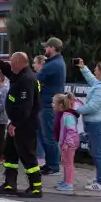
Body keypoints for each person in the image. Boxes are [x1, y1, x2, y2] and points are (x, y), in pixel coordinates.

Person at [0, 51, 42, 198]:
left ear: (18, 63)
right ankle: (10, 184)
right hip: (17, 123)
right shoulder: (19, 75)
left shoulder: (26, 79)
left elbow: (26, 106)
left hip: (25, 124)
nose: (10, 64)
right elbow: (8, 71)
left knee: (27, 155)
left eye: (12, 62)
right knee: (10, 153)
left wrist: (15, 124)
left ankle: (36, 187)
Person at [74, 58, 101, 192]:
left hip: (98, 124)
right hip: (97, 123)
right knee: (97, 152)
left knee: (99, 153)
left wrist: (75, 110)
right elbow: (92, 80)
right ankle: (100, 178)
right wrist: (83, 67)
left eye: (96, 69)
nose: (94, 71)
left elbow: (92, 107)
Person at [36, 37, 66, 176]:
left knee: (49, 137)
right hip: (48, 103)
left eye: (47, 47)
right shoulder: (55, 62)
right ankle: (49, 164)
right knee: (45, 136)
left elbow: (37, 78)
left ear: (53, 48)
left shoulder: (53, 65)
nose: (45, 49)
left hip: (49, 104)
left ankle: (53, 166)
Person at [53, 93, 80, 193]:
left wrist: (67, 143)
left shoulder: (68, 116)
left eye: (54, 103)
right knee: (65, 163)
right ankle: (66, 181)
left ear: (61, 105)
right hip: (66, 143)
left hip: (69, 144)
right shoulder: (65, 115)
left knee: (68, 164)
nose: (52, 105)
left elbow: (71, 131)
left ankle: (69, 184)